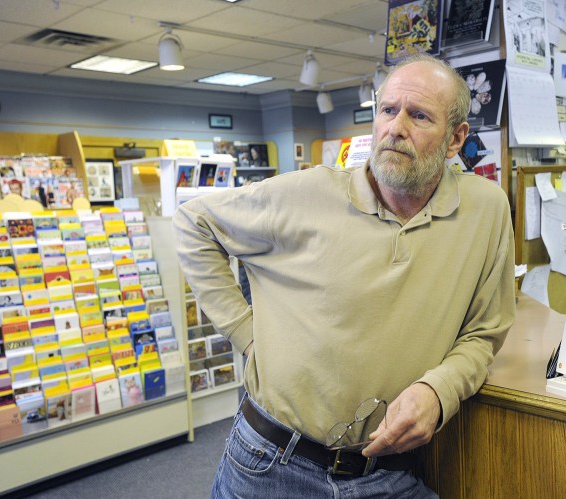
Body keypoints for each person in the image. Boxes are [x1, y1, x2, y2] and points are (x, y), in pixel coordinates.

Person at [173, 53, 515, 498]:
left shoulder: (486, 210)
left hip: (390, 472)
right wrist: (247, 334)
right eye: (388, 110)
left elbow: (484, 332)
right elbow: (192, 222)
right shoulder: (307, 193)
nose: (396, 128)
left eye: (420, 116)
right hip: (272, 466)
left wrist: (440, 390)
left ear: (456, 139)